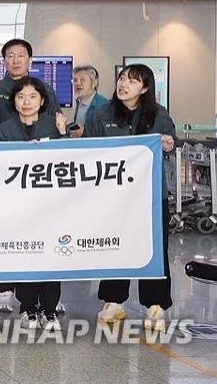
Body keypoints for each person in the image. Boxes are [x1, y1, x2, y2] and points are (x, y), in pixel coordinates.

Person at [87, 64, 177, 332]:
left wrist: (168, 144)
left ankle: (156, 305)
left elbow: (170, 143)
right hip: (114, 196)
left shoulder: (158, 114)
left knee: (154, 248)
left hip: (150, 195)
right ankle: (114, 300)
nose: (124, 84)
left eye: (133, 81)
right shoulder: (101, 114)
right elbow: (89, 148)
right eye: (122, 78)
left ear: (145, 88)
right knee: (115, 245)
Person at [0, 76, 69, 331]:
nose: (26, 102)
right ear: (14, 102)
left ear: (42, 101)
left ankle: (49, 309)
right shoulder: (4, 129)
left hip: (50, 205)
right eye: (21, 97)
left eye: (33, 97)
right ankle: (28, 308)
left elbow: (70, 160)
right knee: (25, 255)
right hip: (18, 206)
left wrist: (63, 134)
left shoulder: (54, 125)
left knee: (51, 255)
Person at [0, 38, 60, 123]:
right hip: (2, 132)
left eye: (21, 56)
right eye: (11, 56)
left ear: (30, 60)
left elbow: (57, 121)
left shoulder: (45, 89)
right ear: (4, 62)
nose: (16, 61)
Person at [70, 65, 109, 138]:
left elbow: (107, 135)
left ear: (94, 83)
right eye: (75, 80)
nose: (78, 83)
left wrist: (85, 132)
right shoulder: (79, 102)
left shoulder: (104, 106)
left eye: (82, 80)